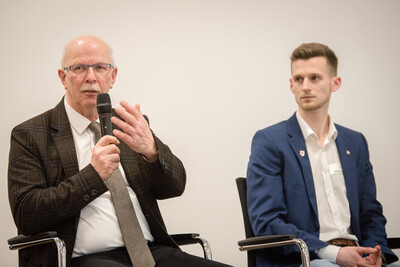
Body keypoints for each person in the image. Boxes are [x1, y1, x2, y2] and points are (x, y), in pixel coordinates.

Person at [8, 35, 231, 267]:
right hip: (82, 259)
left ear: (112, 77)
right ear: (63, 77)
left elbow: (175, 187)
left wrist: (152, 152)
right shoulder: (31, 134)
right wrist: (93, 176)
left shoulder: (128, 124)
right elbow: (27, 214)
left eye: (100, 68)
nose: (91, 77)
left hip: (150, 253)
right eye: (79, 68)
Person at [246, 43, 399, 267]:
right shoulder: (270, 141)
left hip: (358, 254)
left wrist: (376, 253)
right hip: (306, 259)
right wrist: (333, 253)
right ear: (291, 85)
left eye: (315, 78)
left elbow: (371, 214)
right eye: (298, 79)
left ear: (335, 83)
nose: (305, 86)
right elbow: (267, 221)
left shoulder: (355, 142)